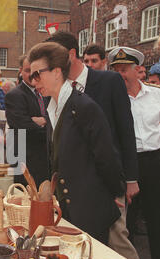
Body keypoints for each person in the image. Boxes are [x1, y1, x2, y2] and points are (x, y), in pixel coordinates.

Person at [46, 31, 140, 259]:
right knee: (83, 247)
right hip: (78, 188)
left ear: (70, 54)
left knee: (117, 240)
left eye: (53, 57)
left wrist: (129, 180)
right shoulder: (58, 90)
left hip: (110, 180)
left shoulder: (109, 81)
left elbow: (125, 131)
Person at [28, 42, 125, 244]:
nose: (33, 80)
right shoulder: (52, 108)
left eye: (37, 74)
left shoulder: (83, 106)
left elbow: (106, 157)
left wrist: (114, 193)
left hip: (90, 211)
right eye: (31, 75)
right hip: (67, 212)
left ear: (56, 72)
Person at [108, 46, 160, 259]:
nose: (120, 74)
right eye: (116, 70)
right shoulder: (111, 101)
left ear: (137, 69)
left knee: (156, 214)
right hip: (128, 163)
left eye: (124, 69)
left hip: (155, 160)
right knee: (127, 220)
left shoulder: (156, 94)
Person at [5, 54, 50, 187]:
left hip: (45, 160)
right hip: (25, 161)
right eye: (27, 70)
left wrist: (43, 120)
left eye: (35, 71)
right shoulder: (14, 95)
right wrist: (48, 127)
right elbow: (22, 126)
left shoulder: (46, 92)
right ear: (20, 71)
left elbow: (56, 117)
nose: (31, 74)